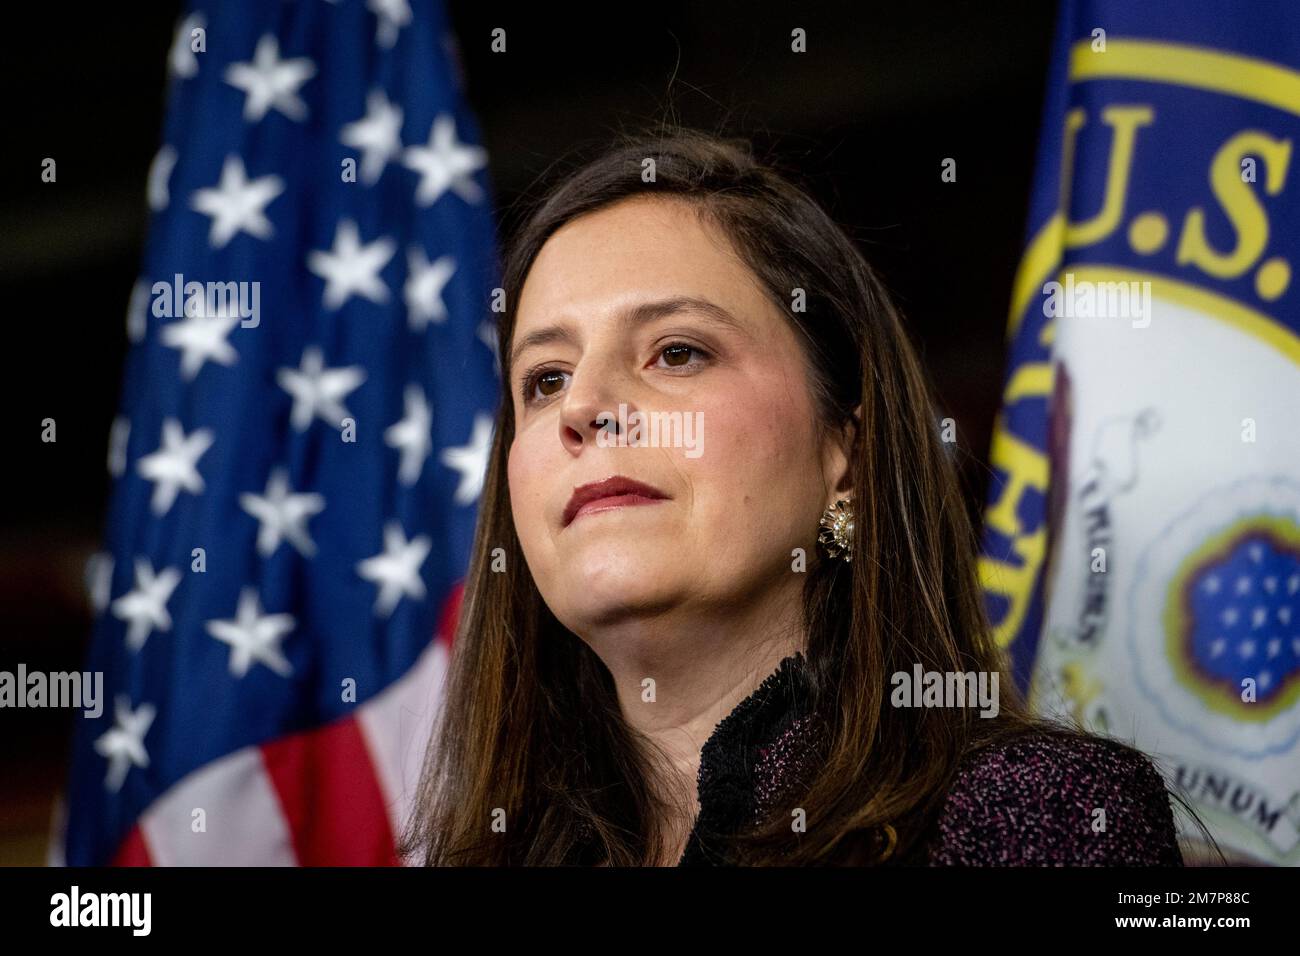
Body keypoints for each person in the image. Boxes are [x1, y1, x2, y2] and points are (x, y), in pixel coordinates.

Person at [400, 126, 1211, 866]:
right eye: (544, 379)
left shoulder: (1029, 816)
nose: (582, 409)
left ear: (844, 453)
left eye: (676, 353)